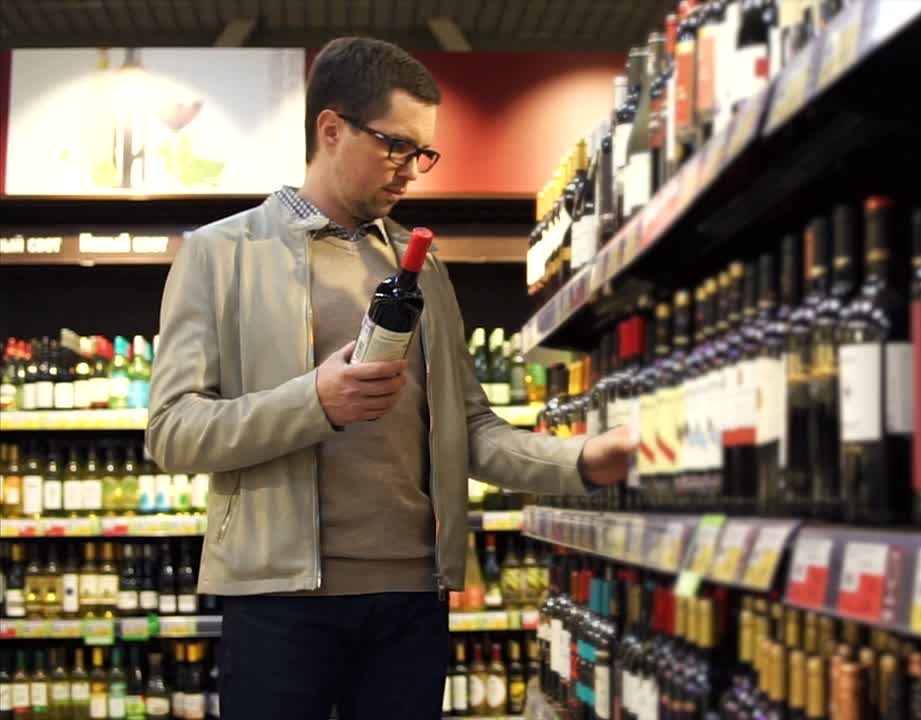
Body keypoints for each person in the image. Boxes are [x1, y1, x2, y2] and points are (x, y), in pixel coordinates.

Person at [145, 36, 635, 720]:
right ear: (331, 128)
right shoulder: (221, 254)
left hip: (411, 600)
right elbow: (172, 433)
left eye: (423, 152)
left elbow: (472, 429)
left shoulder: (421, 265)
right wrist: (313, 401)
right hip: (279, 603)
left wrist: (582, 460)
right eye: (395, 146)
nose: (412, 170)